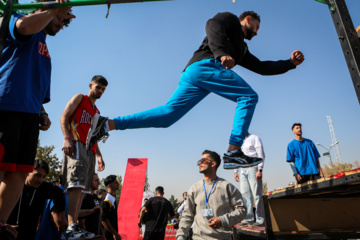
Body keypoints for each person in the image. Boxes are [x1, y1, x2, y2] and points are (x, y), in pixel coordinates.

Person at [86, 11, 304, 169]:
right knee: (248, 96)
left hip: (193, 73)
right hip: (206, 65)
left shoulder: (241, 48)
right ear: (248, 20)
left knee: (168, 116)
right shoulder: (229, 20)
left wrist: (289, 63)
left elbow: (261, 67)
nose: (257, 33)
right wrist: (220, 53)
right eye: (257, 27)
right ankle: (233, 152)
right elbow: (212, 25)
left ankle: (108, 124)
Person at [0, 0, 74, 230]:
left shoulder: (44, 46)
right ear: (46, 9)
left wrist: (41, 111)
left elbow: (37, 86)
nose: (61, 24)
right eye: (60, 19)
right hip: (6, 106)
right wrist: (51, 9)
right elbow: (23, 27)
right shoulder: (17, 16)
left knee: (20, 174)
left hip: (29, 115)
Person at [60, 75, 108, 239]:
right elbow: (64, 116)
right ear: (90, 85)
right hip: (76, 143)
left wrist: (99, 155)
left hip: (90, 150)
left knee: (83, 190)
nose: (100, 91)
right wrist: (67, 138)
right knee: (76, 185)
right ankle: (70, 225)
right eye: (98, 87)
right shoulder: (80, 98)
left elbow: (94, 136)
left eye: (103, 89)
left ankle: (76, 226)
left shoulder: (97, 112)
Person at [176, 150, 246, 240]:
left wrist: (223, 220)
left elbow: (242, 210)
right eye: (199, 161)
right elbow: (187, 216)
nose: (199, 163)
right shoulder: (194, 189)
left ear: (213, 164)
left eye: (203, 161)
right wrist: (181, 236)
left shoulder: (227, 187)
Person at [6, 159, 67, 240]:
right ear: (28, 172)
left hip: (29, 235)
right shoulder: (13, 184)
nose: (40, 180)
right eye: (37, 175)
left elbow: (60, 194)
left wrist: (61, 216)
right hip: (8, 232)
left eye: (43, 177)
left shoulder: (44, 187)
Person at [234, 132, 265, 227]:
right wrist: (235, 171)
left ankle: (260, 219)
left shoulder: (254, 138)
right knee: (245, 195)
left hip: (253, 167)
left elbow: (261, 154)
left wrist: (260, 169)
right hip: (242, 170)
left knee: (257, 194)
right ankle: (248, 218)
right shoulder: (237, 142)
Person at [101, 175, 121, 240]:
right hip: (107, 235)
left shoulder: (112, 197)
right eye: (115, 182)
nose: (118, 183)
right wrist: (114, 233)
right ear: (109, 185)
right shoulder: (107, 199)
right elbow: (104, 220)